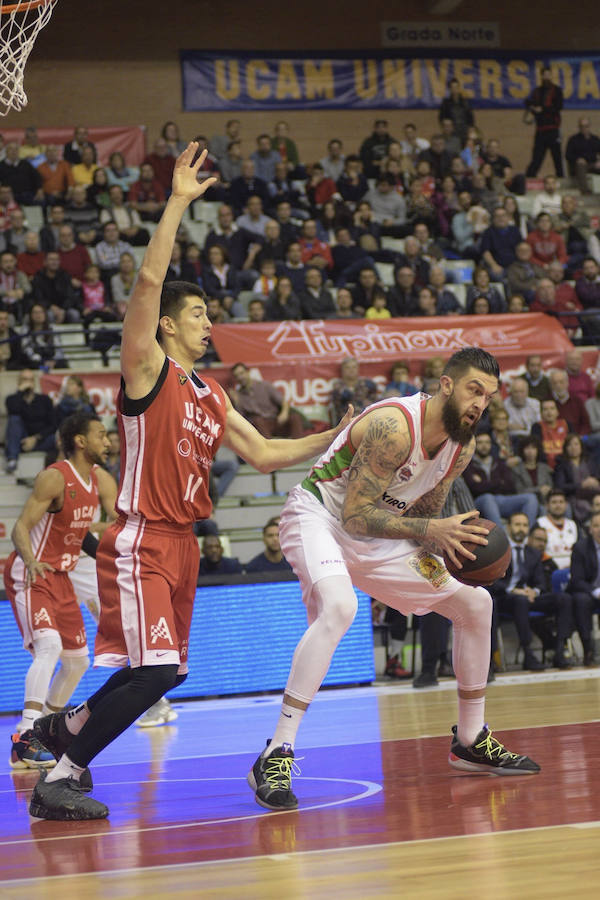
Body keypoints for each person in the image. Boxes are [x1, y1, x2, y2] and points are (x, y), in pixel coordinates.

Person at [27, 142, 355, 821]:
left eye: (209, 315)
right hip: (144, 536)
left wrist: (331, 436)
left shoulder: (209, 393)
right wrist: (177, 201)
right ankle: (61, 762)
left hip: (184, 545)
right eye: (199, 315)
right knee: (151, 671)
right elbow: (147, 286)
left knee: (169, 672)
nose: (209, 323)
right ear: (170, 326)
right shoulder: (148, 369)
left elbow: (264, 453)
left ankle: (61, 744)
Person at [247, 347, 540, 812]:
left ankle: (470, 740)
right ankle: (276, 751)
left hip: (378, 535)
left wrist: (448, 543)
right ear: (446, 385)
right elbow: (356, 514)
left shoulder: (458, 447)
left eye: (488, 396)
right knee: (341, 607)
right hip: (319, 516)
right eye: (472, 390)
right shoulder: (394, 425)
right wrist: (430, 530)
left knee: (475, 603)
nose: (480, 404)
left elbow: (422, 514)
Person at [5, 413, 112, 769]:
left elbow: (81, 535)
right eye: (100, 435)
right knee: (49, 646)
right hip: (32, 571)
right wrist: (31, 560)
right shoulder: (55, 477)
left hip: (62, 576)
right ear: (80, 441)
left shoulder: (95, 481)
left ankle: (45, 731)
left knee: (78, 661)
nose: (108, 441)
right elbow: (20, 527)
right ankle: (24, 734)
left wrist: (113, 560)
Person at [488, 513, 572, 670]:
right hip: (505, 599)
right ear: (508, 527)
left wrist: (534, 591)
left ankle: (560, 650)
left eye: (525, 525)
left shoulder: (533, 553)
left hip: (528, 598)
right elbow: (493, 581)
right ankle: (528, 653)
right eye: (517, 525)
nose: (521, 529)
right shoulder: (499, 550)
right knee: (520, 600)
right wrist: (513, 590)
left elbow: (540, 582)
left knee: (564, 598)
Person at [229, 362, 305, 439]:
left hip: (276, 420)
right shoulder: (238, 396)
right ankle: (269, 447)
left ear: (248, 372)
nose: (240, 377)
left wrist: (284, 413)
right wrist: (237, 402)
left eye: (242, 373)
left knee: (295, 417)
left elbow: (283, 402)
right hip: (260, 425)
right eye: (237, 376)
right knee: (257, 420)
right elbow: (240, 419)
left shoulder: (265, 385)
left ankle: (299, 444)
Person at [567, 511, 600, 666]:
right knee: (580, 599)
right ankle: (588, 650)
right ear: (590, 529)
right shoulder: (580, 547)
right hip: (589, 593)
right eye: (596, 525)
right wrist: (596, 591)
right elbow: (577, 580)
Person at [524, 66, 564, 177]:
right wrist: (532, 107)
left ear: (551, 75)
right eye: (544, 74)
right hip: (541, 130)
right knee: (537, 157)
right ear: (541, 76)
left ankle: (561, 178)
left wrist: (542, 109)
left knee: (557, 158)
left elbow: (558, 107)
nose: (546, 76)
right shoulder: (537, 91)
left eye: (548, 74)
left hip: (553, 129)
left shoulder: (557, 90)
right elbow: (529, 103)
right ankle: (529, 178)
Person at [553, 434, 600, 524]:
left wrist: (595, 481)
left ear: (581, 446)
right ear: (565, 448)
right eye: (570, 445)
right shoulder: (561, 466)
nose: (573, 447)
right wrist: (580, 485)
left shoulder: (590, 462)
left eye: (576, 444)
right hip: (574, 497)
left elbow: (597, 477)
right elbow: (560, 487)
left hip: (594, 494)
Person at [537, 490, 579, 568]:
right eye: (554, 502)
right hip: (548, 569)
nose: (558, 505)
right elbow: (536, 552)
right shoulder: (540, 523)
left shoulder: (573, 524)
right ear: (547, 505)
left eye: (561, 502)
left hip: (573, 568)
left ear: (566, 505)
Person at [330, 356, 378, 421]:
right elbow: (339, 404)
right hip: (346, 423)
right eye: (348, 367)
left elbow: (374, 403)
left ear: (358, 369)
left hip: (367, 420)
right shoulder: (338, 387)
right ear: (342, 370)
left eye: (354, 367)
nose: (351, 370)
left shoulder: (368, 384)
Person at [531, 398, 571, 470]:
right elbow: (537, 451)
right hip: (544, 466)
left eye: (552, 409)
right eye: (545, 409)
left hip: (566, 464)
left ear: (557, 412)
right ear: (541, 413)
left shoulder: (567, 424)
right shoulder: (537, 427)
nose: (549, 412)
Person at [565, 116, 600, 193]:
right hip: (578, 165)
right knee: (581, 165)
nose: (584, 128)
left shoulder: (595, 139)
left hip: (593, 164)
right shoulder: (573, 139)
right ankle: (585, 191)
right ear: (579, 127)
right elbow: (568, 155)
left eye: (586, 126)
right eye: (582, 126)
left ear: (589, 126)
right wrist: (578, 159)